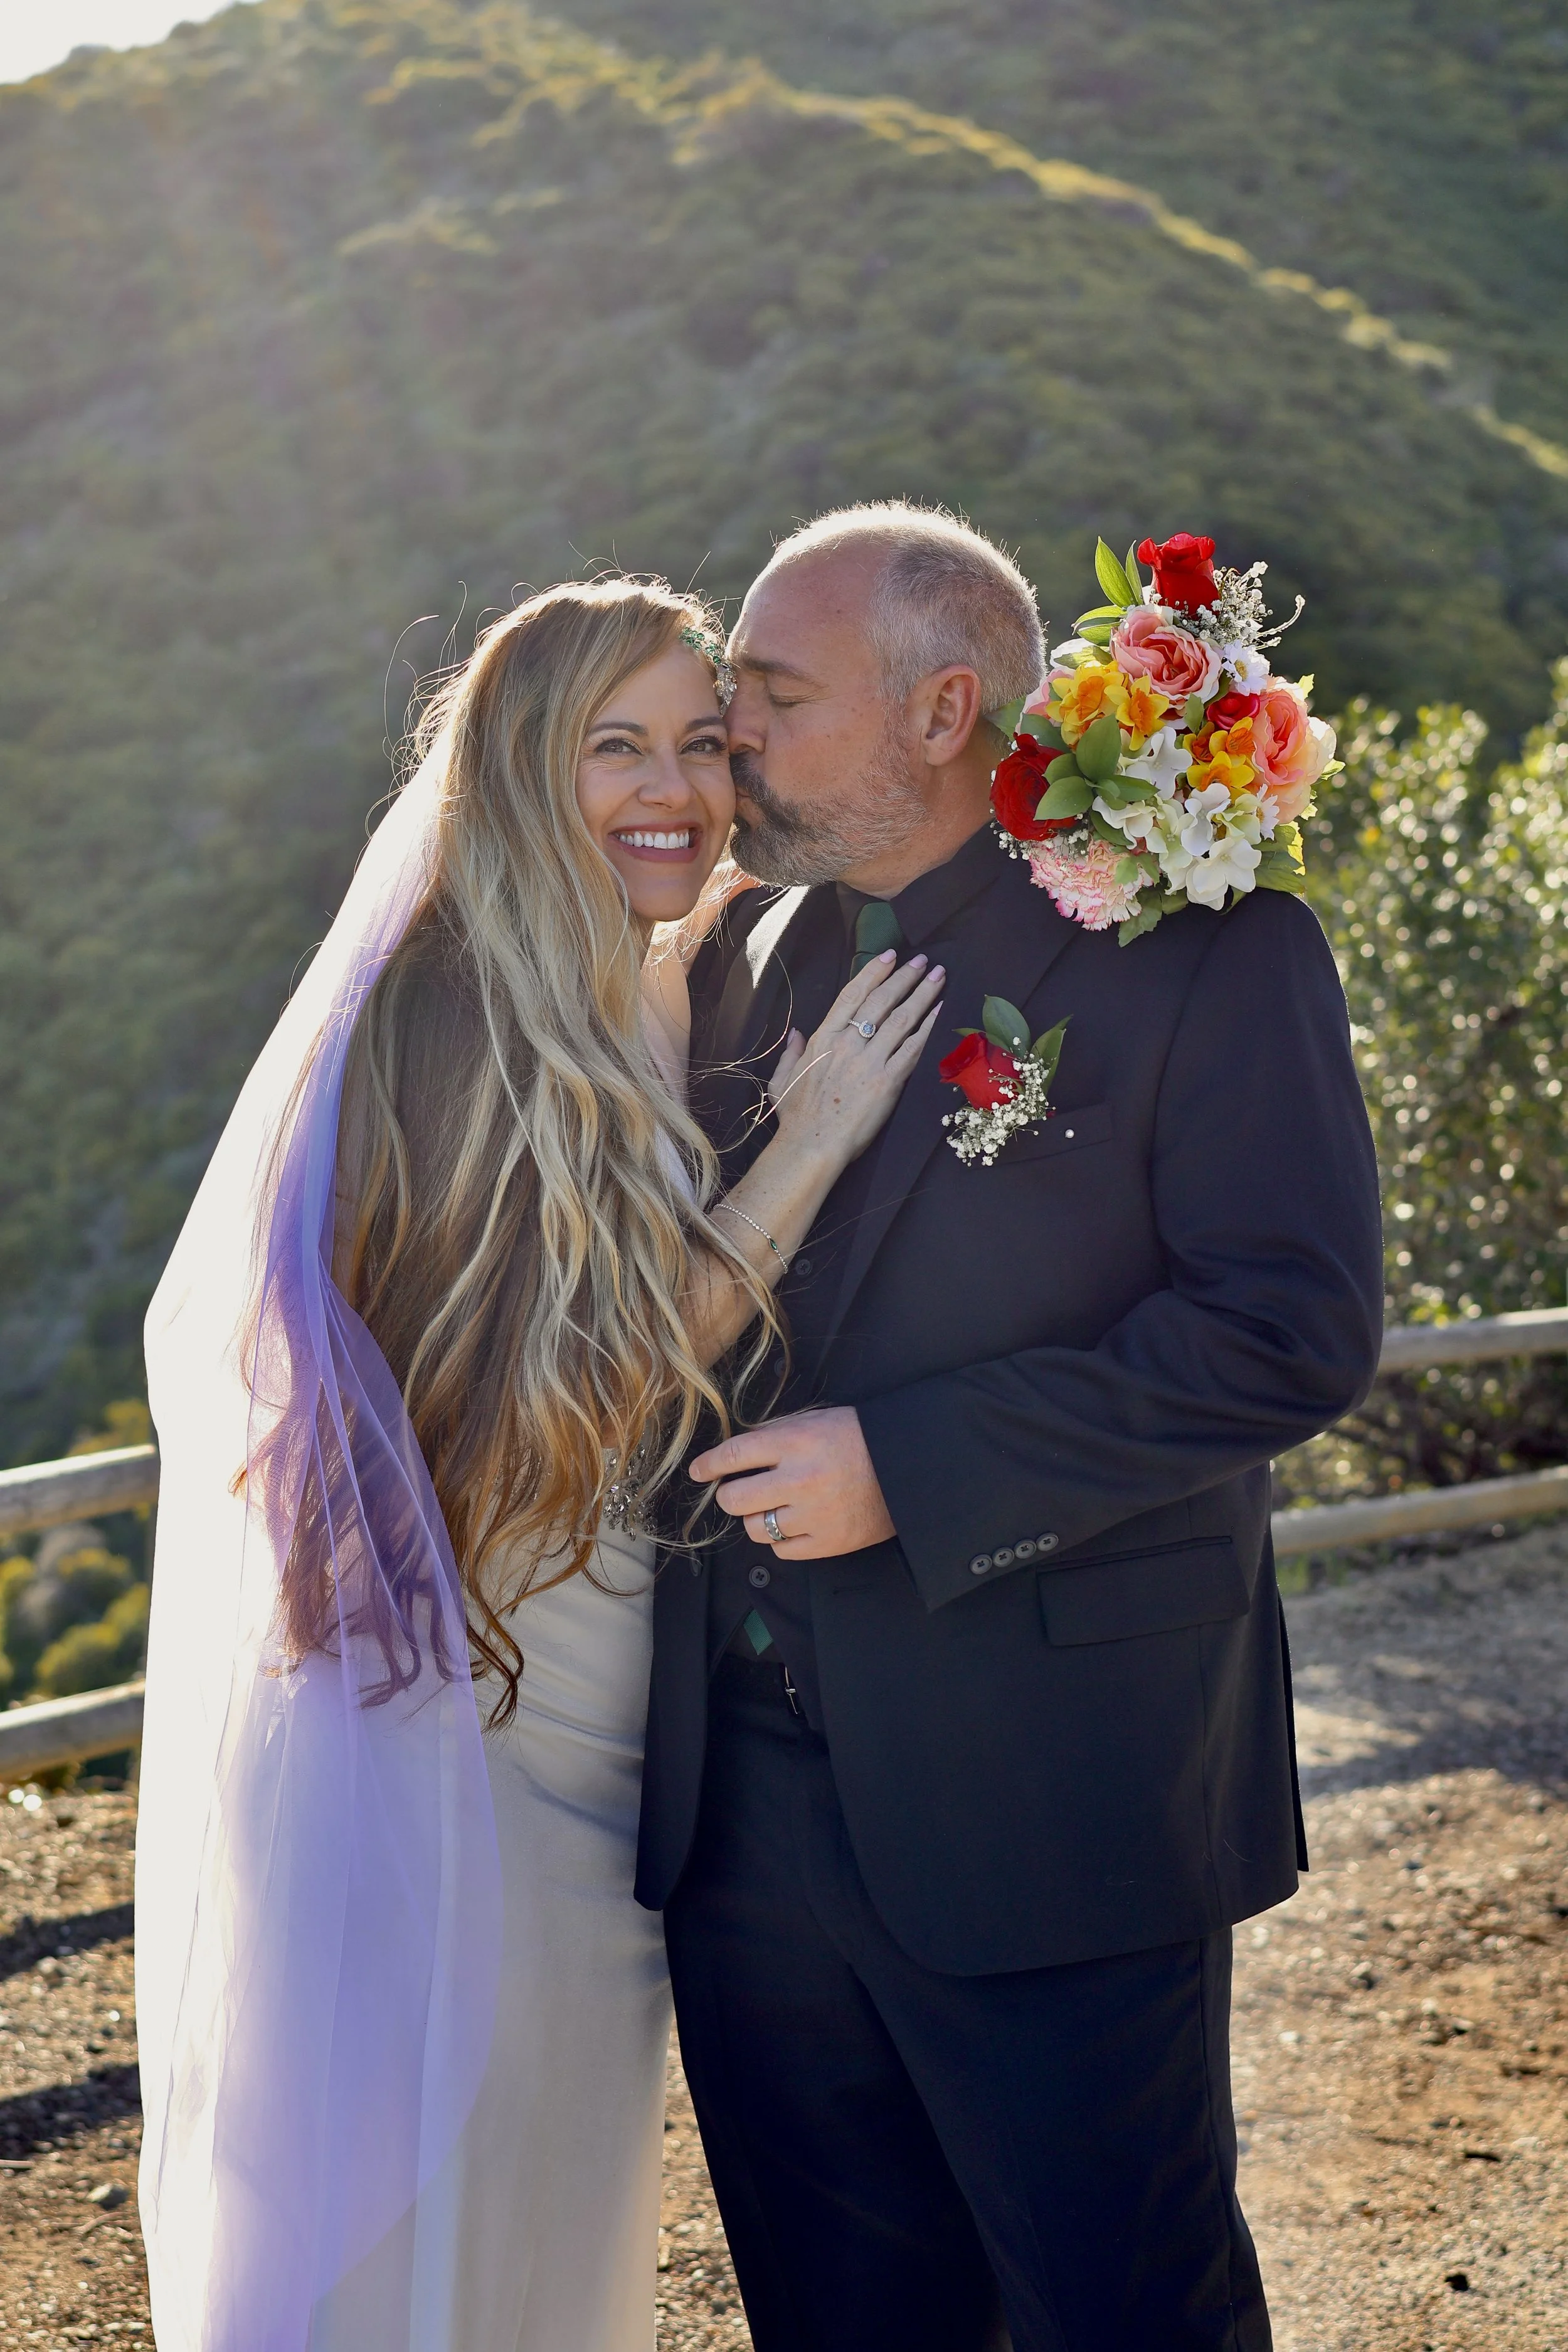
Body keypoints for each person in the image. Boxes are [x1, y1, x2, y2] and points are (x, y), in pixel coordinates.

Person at [135, 576, 943, 2352]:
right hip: (474, 1737)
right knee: (451, 2220)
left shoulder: (617, 975)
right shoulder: (463, 1012)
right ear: (515, 771)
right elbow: (563, 1403)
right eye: (616, 747)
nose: (675, 786)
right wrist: (803, 1148)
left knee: (545, 2226)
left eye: (706, 745)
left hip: (585, 1719)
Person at [637, 505, 1386, 2352]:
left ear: (943, 706)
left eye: (773, 693)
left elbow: (1286, 1331)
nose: (732, 731)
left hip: (1059, 1788)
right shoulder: (745, 961)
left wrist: (912, 1464)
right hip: (741, 1815)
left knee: (1118, 2310)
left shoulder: (1208, 954)